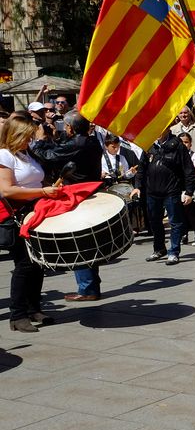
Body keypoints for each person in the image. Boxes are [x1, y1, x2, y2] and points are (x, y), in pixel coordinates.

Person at [32, 112, 106, 301]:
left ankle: (87, 289)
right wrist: (52, 138)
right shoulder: (91, 141)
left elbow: (49, 156)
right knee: (87, 241)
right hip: (89, 192)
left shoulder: (78, 144)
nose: (64, 129)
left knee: (79, 242)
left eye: (65, 126)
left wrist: (40, 140)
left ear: (71, 128)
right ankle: (90, 286)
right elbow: (61, 149)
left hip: (77, 195)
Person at [0, 114, 62, 332]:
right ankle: (17, 315)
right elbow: (6, 190)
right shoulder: (5, 156)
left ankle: (33, 308)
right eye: (26, 137)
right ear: (16, 135)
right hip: (17, 215)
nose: (30, 141)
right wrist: (42, 190)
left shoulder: (26, 153)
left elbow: (35, 179)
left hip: (35, 212)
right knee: (25, 264)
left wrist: (48, 188)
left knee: (37, 264)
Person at [142, 128, 195, 265]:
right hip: (152, 191)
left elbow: (189, 169)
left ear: (167, 128)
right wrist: (137, 187)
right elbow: (141, 168)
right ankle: (159, 249)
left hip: (171, 190)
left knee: (175, 222)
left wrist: (189, 192)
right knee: (154, 221)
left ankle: (174, 251)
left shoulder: (177, 145)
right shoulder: (149, 145)